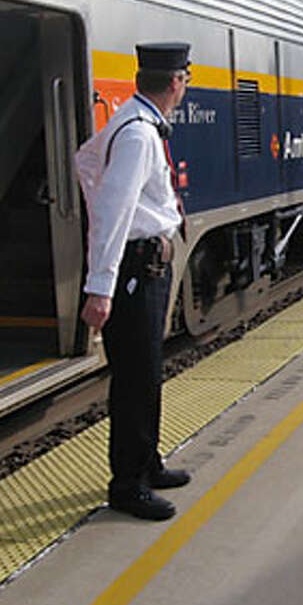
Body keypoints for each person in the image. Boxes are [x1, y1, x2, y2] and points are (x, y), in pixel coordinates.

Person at [80, 42, 192, 521]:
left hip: (145, 265)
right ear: (175, 83)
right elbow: (113, 208)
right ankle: (127, 485)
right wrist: (101, 286)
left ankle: (147, 463)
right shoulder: (139, 135)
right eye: (186, 79)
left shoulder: (131, 121)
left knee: (146, 370)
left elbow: (85, 162)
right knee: (135, 379)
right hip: (133, 269)